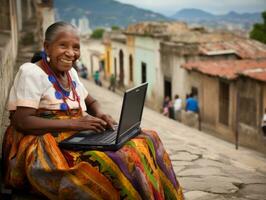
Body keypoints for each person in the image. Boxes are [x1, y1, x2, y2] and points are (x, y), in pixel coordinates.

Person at [2, 21, 183, 199]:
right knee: (115, 161)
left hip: (72, 136)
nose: (71, 53)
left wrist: (100, 113)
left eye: (76, 47)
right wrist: (76, 124)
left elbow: (91, 101)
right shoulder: (31, 73)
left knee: (148, 139)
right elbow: (22, 121)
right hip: (42, 144)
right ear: (47, 47)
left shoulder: (70, 73)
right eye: (63, 45)